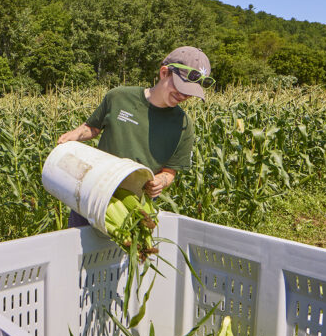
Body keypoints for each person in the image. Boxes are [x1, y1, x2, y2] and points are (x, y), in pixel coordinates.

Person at [56, 46, 213, 227]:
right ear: (164, 73)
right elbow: (92, 127)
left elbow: (170, 171)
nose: (184, 95)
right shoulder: (119, 97)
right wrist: (75, 134)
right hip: (92, 194)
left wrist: (159, 182)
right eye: (181, 87)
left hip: (135, 207)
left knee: (125, 251)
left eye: (190, 92)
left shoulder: (184, 125)